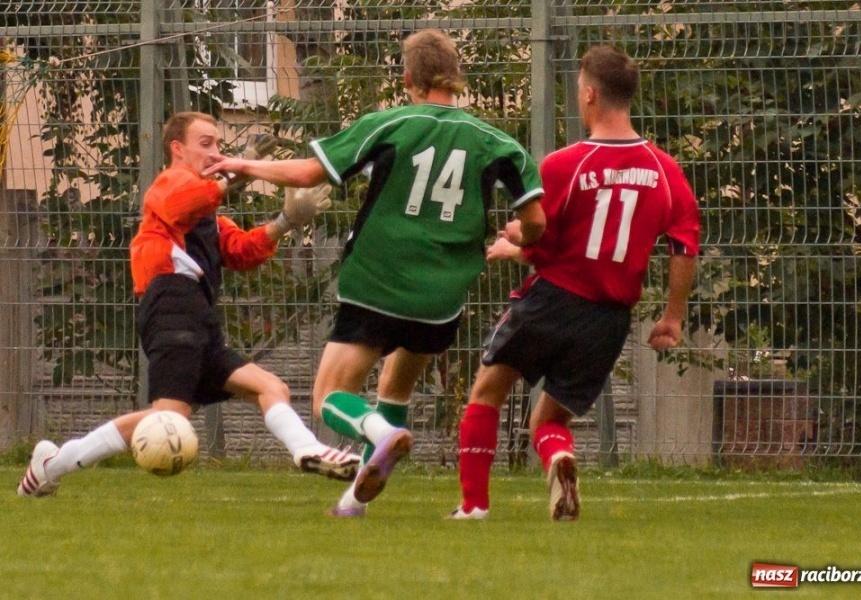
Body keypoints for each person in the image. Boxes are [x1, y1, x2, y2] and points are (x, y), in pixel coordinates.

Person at [203, 29, 546, 517]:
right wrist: (520, 239)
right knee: (393, 391)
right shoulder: (498, 143)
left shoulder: (390, 124)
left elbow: (308, 173)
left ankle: (381, 434)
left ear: (407, 78)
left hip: (378, 282)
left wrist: (243, 164)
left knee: (329, 398)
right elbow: (536, 222)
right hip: (442, 298)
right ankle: (353, 503)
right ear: (455, 77)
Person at [17, 111, 359, 498]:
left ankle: (307, 449)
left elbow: (241, 251)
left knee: (269, 387)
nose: (216, 151)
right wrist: (236, 174)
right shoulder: (170, 184)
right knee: (168, 417)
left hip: (198, 316)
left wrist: (286, 220)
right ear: (177, 149)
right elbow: (185, 201)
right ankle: (54, 464)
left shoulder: (208, 213)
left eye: (219, 144)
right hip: (172, 305)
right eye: (206, 143)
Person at [450, 44, 701, 521]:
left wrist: (514, 240)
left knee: (487, 392)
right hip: (609, 319)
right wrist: (672, 316)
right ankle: (559, 456)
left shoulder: (567, 164)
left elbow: (541, 238)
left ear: (589, 94)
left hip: (552, 301)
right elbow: (685, 244)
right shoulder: (665, 170)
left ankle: (473, 506)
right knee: (549, 419)